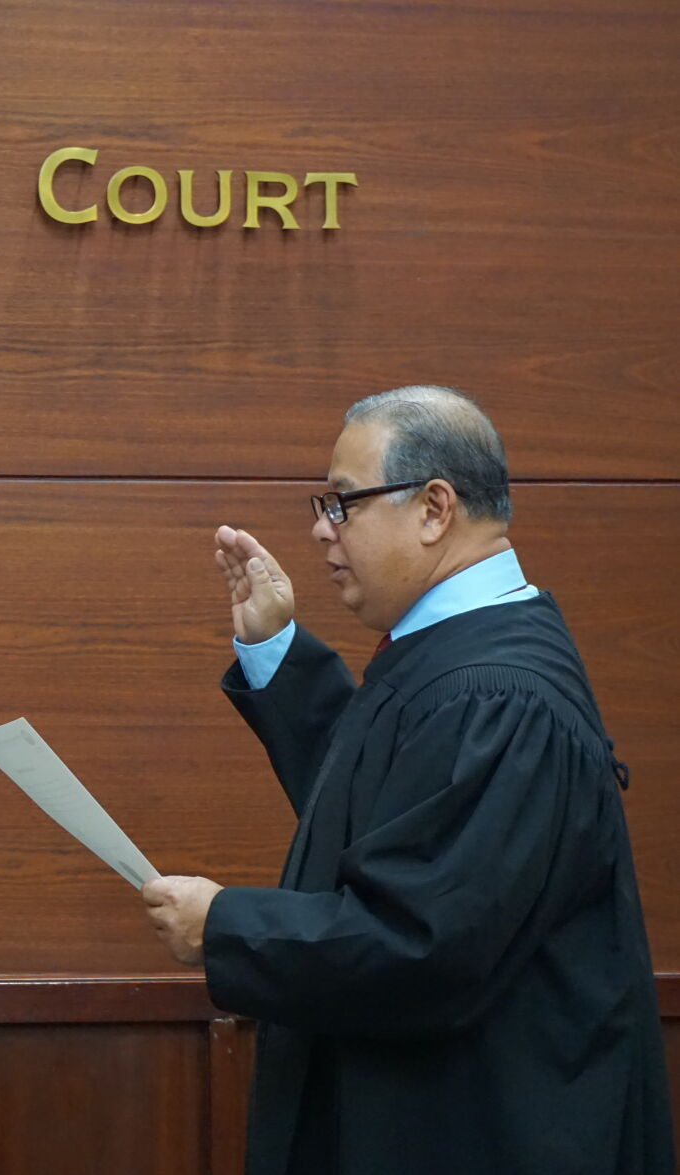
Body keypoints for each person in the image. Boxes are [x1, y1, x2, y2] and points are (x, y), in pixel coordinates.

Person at [142, 386, 672, 1175]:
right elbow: (397, 811)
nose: (322, 528)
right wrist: (279, 656)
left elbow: (423, 943)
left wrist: (223, 926)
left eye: (343, 502)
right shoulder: (468, 656)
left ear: (433, 508)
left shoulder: (498, 696)